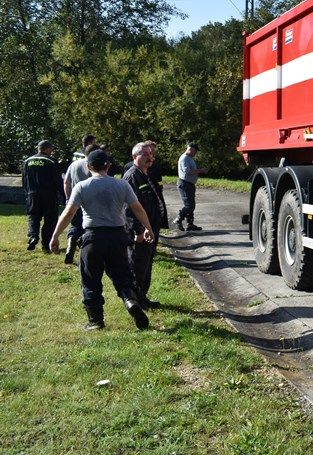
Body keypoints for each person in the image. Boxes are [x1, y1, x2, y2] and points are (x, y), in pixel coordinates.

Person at [47, 149, 153, 331]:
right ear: (108, 166)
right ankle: (130, 301)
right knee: (122, 275)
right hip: (118, 236)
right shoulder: (122, 185)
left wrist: (55, 235)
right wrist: (148, 228)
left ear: (88, 167)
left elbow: (69, 212)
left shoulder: (82, 186)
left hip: (93, 237)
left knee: (90, 278)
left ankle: (96, 321)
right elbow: (137, 208)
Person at [123, 142, 164, 309]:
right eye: (145, 154)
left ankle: (143, 298)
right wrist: (137, 231)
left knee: (146, 265)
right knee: (137, 267)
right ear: (135, 157)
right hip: (141, 232)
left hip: (151, 229)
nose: (150, 157)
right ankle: (135, 302)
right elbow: (128, 209)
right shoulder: (132, 177)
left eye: (151, 154)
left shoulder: (145, 174)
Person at [63, 142, 100, 265]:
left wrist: (68, 198)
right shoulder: (93, 165)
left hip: (75, 200)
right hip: (91, 202)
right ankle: (85, 253)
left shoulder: (73, 165)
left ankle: (70, 247)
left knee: (75, 225)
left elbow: (66, 182)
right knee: (88, 228)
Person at [22, 140, 62, 252]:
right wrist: (63, 194)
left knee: (33, 216)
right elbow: (57, 181)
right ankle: (46, 244)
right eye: (51, 149)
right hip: (49, 195)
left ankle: (33, 236)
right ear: (46, 149)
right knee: (50, 220)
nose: (52, 151)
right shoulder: (51, 161)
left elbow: (24, 179)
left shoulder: (27, 161)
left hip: (32, 194)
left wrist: (27, 192)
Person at [174, 142, 208, 231]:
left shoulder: (189, 158)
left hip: (189, 184)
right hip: (185, 184)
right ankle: (178, 219)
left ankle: (190, 224)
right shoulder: (185, 158)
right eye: (195, 151)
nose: (195, 153)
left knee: (191, 205)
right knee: (189, 205)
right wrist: (200, 170)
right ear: (190, 149)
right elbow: (187, 171)